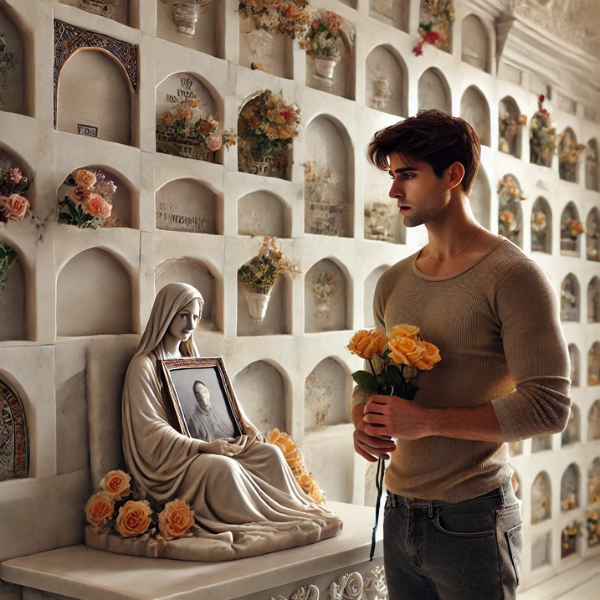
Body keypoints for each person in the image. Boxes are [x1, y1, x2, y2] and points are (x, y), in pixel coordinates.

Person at [352, 110, 571, 600]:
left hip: (472, 516)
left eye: (407, 175)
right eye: (392, 176)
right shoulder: (393, 282)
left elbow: (549, 407)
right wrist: (362, 418)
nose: (393, 192)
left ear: (453, 175)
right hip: (398, 509)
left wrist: (425, 421)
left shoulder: (514, 276)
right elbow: (372, 376)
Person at [122, 282, 342, 561]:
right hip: (173, 461)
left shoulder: (192, 359)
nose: (190, 323)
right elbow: (150, 430)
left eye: (195, 316)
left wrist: (245, 426)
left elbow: (223, 404)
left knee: (270, 454)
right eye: (183, 315)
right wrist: (201, 448)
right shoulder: (142, 366)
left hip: (210, 445)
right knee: (223, 469)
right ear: (166, 313)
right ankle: (263, 524)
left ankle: (292, 513)